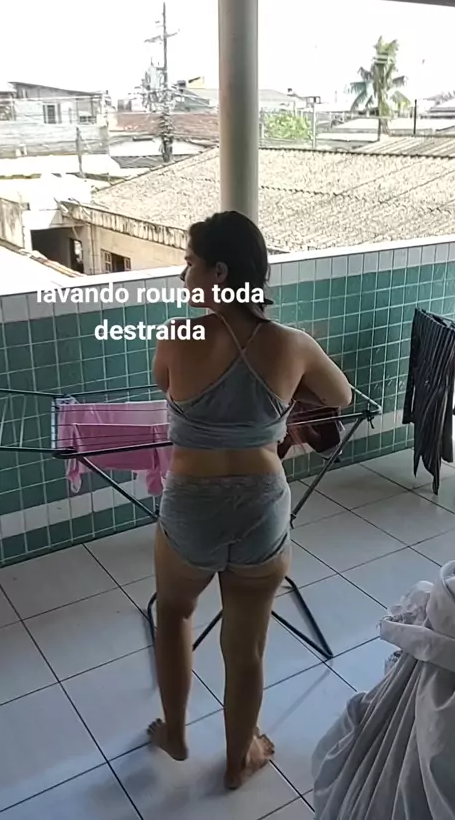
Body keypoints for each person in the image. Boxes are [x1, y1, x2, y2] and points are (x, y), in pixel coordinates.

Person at [149, 210, 352, 789]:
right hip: (262, 502)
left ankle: (176, 734)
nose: (183, 275)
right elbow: (339, 395)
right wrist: (283, 395)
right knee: (247, 647)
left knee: (175, 613)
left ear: (219, 272)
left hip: (192, 502)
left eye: (189, 263)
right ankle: (240, 760)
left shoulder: (179, 335)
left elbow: (166, 385)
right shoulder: (292, 344)